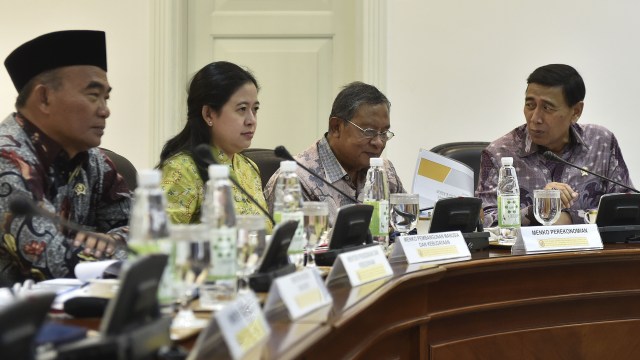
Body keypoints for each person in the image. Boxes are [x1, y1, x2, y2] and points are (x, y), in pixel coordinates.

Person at [0, 30, 131, 286]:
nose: (105, 110)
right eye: (93, 95)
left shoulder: (92, 159)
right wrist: (119, 250)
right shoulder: (7, 159)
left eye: (106, 97)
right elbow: (55, 263)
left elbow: (144, 229)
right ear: (44, 98)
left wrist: (110, 243)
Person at [476, 64, 634, 227]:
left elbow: (627, 208)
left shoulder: (601, 142)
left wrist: (571, 219)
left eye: (547, 108)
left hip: (594, 252)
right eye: (530, 105)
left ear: (576, 111)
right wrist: (539, 209)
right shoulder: (500, 153)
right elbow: (485, 222)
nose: (535, 118)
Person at [264, 81, 405, 226]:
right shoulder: (295, 180)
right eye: (369, 132)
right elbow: (294, 245)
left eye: (384, 133)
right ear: (336, 127)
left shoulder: (384, 170)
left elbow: (405, 224)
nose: (379, 142)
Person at [159, 61, 271, 230]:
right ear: (208, 114)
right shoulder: (182, 170)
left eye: (255, 109)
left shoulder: (249, 168)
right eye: (242, 109)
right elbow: (160, 242)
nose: (251, 120)